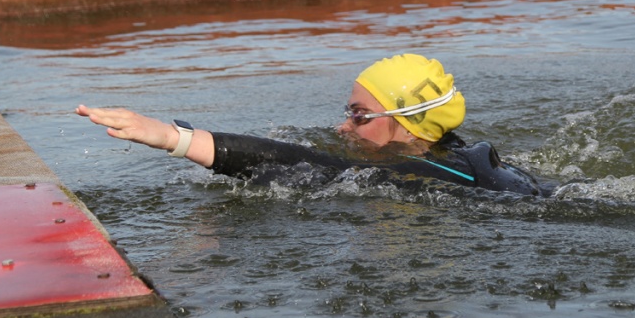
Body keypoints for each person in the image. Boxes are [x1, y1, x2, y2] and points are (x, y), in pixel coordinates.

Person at [75, 53, 554, 197]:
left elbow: (306, 161)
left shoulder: (434, 174)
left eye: (359, 115)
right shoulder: (453, 152)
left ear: (407, 126)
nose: (344, 127)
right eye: (349, 111)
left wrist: (173, 139)